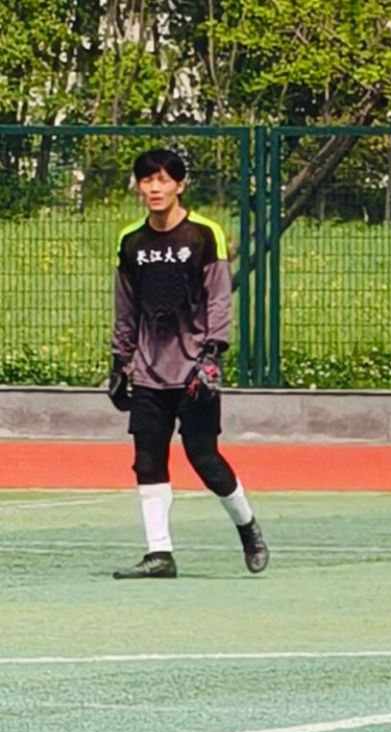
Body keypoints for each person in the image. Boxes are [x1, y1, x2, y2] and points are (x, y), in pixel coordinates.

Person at [108, 146, 267, 579]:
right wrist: (120, 361)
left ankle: (248, 529)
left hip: (195, 368)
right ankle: (159, 553)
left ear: (180, 185)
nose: (154, 188)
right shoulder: (130, 241)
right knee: (147, 459)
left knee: (204, 458)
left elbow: (219, 298)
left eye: (163, 179)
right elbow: (126, 306)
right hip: (148, 370)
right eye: (147, 180)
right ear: (139, 186)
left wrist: (213, 354)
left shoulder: (203, 235)